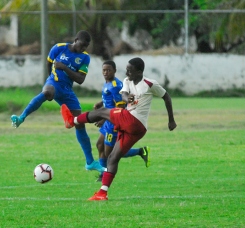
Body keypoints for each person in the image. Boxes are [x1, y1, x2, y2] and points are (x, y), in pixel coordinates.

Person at [61, 57, 177, 201]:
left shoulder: (149, 83)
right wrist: (126, 96)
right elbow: (123, 93)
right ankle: (103, 193)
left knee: (103, 112)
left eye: (130, 70)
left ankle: (72, 121)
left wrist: (171, 120)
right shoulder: (127, 81)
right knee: (113, 157)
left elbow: (167, 97)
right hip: (136, 129)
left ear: (140, 71)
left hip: (134, 121)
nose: (127, 72)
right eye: (127, 69)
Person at [10, 30, 104, 174]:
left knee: (79, 123)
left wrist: (64, 68)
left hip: (68, 91)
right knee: (47, 92)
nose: (83, 48)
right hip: (53, 82)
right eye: (82, 45)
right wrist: (52, 79)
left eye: (85, 46)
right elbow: (48, 64)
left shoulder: (85, 58)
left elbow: (80, 79)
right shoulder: (59, 48)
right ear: (76, 39)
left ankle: (90, 162)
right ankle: (21, 117)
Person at [94, 60, 150, 182]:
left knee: (112, 153)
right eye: (104, 70)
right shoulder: (107, 83)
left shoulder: (115, 86)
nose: (106, 72)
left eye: (108, 70)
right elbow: (110, 100)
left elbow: (120, 106)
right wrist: (101, 103)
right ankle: (102, 173)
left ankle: (140, 151)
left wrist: (104, 119)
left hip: (113, 121)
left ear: (114, 71)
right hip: (107, 119)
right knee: (99, 145)